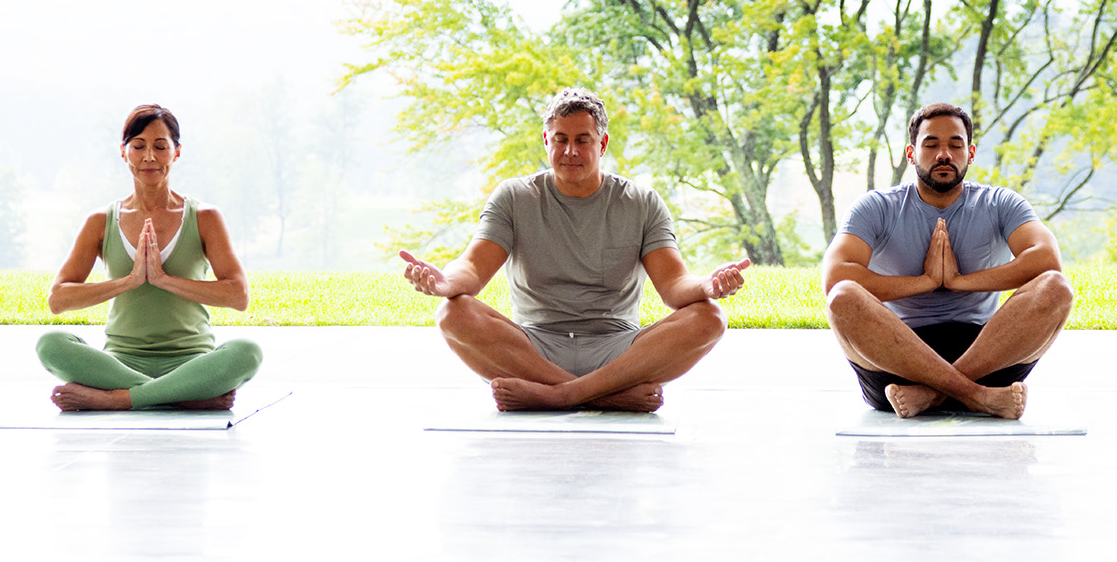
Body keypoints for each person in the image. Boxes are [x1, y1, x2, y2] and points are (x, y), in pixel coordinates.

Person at [399, 88, 749, 412]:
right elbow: (473, 269)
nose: (570, 151)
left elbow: (675, 286)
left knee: (710, 317)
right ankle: (603, 395)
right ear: (546, 140)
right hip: (534, 350)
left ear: (602, 144)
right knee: (452, 313)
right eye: (561, 140)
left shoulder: (642, 202)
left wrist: (707, 287)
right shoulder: (514, 197)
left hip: (618, 350)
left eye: (583, 140)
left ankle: (559, 395)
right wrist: (444, 282)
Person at [822, 102, 1073, 420]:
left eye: (956, 145)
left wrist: (959, 281)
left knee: (1056, 288)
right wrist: (924, 282)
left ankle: (931, 395)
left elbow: (1046, 259)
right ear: (911, 153)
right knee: (843, 297)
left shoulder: (999, 202)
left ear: (970, 152)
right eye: (931, 145)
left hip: (986, 355)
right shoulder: (876, 207)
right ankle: (977, 397)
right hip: (896, 365)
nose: (944, 155)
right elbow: (835, 275)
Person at [36, 105, 262, 411]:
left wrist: (164, 280)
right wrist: (129, 281)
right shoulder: (101, 221)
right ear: (123, 152)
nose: (149, 157)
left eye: (160, 146)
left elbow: (239, 296)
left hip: (192, 361)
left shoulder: (205, 217)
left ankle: (118, 399)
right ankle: (181, 396)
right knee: (50, 344)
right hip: (120, 362)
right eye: (138, 146)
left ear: (177, 152)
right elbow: (58, 300)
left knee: (248, 352)